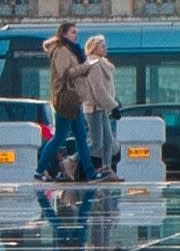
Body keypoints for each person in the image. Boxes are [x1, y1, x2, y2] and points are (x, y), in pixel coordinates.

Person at [35, 22, 104, 183]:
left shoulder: (72, 50)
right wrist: (84, 67)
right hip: (66, 99)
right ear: (64, 34)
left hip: (74, 99)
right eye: (73, 32)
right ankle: (39, 170)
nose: (76, 35)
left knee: (81, 137)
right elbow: (64, 74)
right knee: (60, 137)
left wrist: (84, 68)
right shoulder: (61, 51)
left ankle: (90, 173)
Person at [79, 34, 122, 181]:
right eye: (102, 46)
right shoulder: (94, 64)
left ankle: (107, 169)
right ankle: (71, 160)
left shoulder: (103, 64)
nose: (105, 48)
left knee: (108, 141)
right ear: (94, 48)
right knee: (96, 143)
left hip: (102, 108)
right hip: (94, 108)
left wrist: (111, 104)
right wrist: (113, 106)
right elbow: (98, 89)